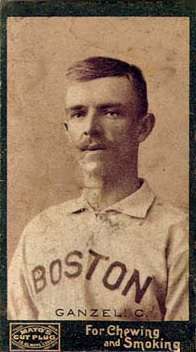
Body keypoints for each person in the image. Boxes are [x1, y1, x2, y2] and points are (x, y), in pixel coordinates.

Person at [8, 56, 188, 321]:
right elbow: (16, 341)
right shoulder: (39, 231)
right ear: (67, 130)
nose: (91, 129)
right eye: (79, 114)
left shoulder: (177, 234)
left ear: (143, 127)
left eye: (111, 112)